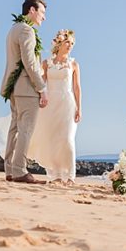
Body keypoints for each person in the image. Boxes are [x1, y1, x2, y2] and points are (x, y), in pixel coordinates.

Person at [0, 0, 49, 184]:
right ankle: (20, 170)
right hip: (26, 88)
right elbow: (30, 63)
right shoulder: (27, 31)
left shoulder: (14, 29)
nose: (44, 17)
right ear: (32, 10)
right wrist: (42, 88)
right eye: (42, 12)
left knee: (15, 129)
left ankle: (10, 170)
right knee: (26, 129)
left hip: (13, 87)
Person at [27, 29, 82, 184]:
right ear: (59, 44)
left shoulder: (73, 64)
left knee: (67, 138)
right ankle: (56, 175)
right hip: (50, 105)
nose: (70, 46)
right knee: (52, 140)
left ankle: (70, 175)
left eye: (72, 43)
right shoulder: (47, 63)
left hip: (67, 103)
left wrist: (79, 108)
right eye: (67, 42)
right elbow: (41, 83)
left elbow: (77, 88)